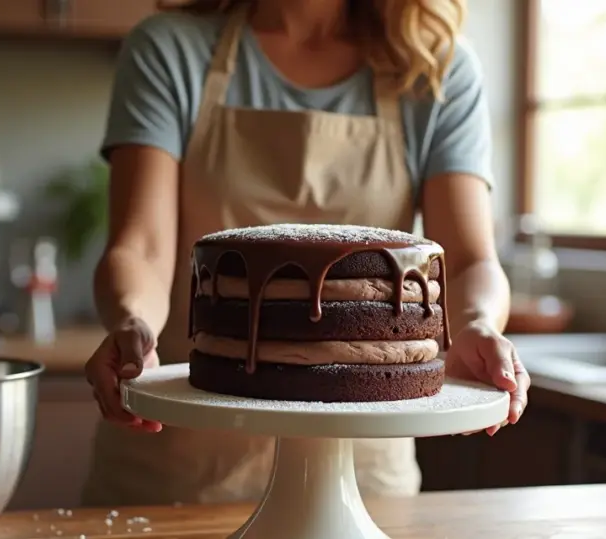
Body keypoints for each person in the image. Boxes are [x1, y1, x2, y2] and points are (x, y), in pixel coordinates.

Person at [82, 0, 530, 506]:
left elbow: (470, 261)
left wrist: (475, 323)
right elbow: (141, 247)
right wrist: (132, 321)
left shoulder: (433, 66)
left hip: (362, 479)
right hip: (177, 472)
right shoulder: (171, 49)